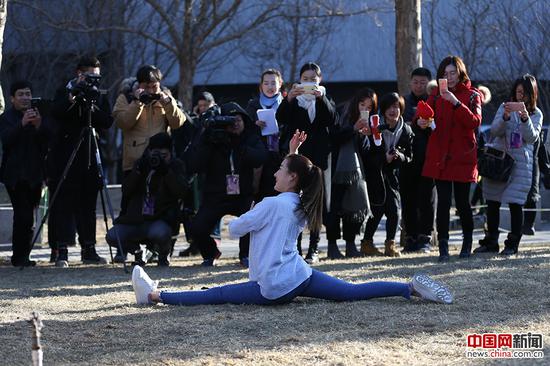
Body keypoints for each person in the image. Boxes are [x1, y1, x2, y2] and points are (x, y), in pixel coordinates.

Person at [131, 131, 453, 306]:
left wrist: (251, 212)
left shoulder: (271, 204)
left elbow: (233, 229)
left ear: (292, 178)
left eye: (280, 169)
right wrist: (291, 151)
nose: (274, 171)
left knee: (214, 295)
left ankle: (155, 295)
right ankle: (407, 288)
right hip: (299, 276)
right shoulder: (301, 204)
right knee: (351, 292)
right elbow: (296, 176)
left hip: (271, 287)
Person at [47, 55, 113, 267]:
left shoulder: (98, 95)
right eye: (90, 76)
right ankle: (62, 250)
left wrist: (91, 104)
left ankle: (89, 248)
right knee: (64, 203)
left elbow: (107, 121)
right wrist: (73, 96)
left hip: (90, 153)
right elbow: (56, 113)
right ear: (79, 73)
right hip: (66, 154)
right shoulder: (64, 91)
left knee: (88, 204)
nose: (94, 80)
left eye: (97, 76)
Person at [186, 102, 268, 267]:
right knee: (197, 227)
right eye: (230, 121)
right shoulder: (213, 139)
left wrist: (239, 146)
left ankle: (245, 255)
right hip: (215, 195)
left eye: (238, 120)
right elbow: (194, 164)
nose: (235, 124)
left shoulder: (249, 137)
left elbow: (260, 157)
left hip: (242, 194)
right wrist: (207, 137)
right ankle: (210, 253)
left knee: (251, 219)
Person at [418, 56, 482, 262]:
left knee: (463, 203)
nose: (449, 77)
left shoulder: (473, 95)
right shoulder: (435, 95)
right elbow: (423, 117)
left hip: (463, 155)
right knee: (443, 202)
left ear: (460, 72)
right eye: (445, 74)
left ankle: (467, 244)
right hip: (440, 155)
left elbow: (475, 122)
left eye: (452, 73)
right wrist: (421, 121)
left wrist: (455, 103)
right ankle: (443, 246)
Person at [276, 62, 338, 263]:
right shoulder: (294, 99)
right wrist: (288, 99)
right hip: (298, 158)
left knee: (316, 203)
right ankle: (296, 248)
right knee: (297, 202)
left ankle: (314, 248)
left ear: (319, 80)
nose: (309, 82)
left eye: (313, 79)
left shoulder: (325, 98)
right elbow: (281, 118)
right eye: (306, 79)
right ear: (300, 80)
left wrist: (322, 98)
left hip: (319, 159)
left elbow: (332, 120)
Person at [474, 74, 542, 255]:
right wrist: (504, 117)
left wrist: (525, 118)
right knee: (492, 202)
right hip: (499, 161)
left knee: (515, 204)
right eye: (518, 92)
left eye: (525, 93)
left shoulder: (536, 114)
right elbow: (495, 131)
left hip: (520, 165)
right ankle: (491, 242)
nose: (521, 96)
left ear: (532, 94)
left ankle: (512, 244)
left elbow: (532, 137)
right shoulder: (505, 107)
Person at [105, 133, 187, 266]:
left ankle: (163, 254)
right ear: (148, 152)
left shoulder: (176, 166)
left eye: (164, 155)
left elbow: (181, 192)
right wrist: (138, 171)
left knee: (160, 233)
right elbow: (126, 190)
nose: (159, 159)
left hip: (160, 219)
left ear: (171, 154)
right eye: (155, 154)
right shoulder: (141, 164)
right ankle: (138, 251)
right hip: (135, 219)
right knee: (113, 236)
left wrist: (166, 171)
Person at [0, 81, 51, 267]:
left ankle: (24, 256)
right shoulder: (6, 118)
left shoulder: (39, 116)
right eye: (20, 94)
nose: (25, 98)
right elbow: (6, 140)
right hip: (15, 176)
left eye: (28, 94)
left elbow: (47, 142)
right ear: (12, 98)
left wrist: (38, 125)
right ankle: (18, 256)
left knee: (30, 217)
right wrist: (22, 124)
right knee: (21, 215)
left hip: (35, 174)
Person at [360, 93, 413, 257]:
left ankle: (390, 244)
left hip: (392, 175)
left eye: (396, 107)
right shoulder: (374, 125)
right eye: (389, 107)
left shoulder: (405, 129)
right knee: (377, 209)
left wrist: (399, 156)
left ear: (401, 109)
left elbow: (410, 157)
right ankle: (367, 243)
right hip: (374, 174)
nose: (393, 110)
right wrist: (384, 158)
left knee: (394, 210)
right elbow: (366, 154)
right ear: (383, 110)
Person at [325, 88, 374, 259]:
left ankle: (350, 244)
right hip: (336, 168)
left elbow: (366, 151)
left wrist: (364, 135)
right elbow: (334, 138)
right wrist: (353, 129)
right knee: (334, 208)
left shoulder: (368, 121)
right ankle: (332, 246)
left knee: (353, 207)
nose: (364, 110)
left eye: (368, 107)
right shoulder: (340, 113)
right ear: (355, 102)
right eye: (362, 104)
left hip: (356, 171)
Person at [113, 64, 186, 175]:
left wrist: (168, 104)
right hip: (134, 164)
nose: (151, 91)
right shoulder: (126, 98)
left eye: (154, 87)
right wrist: (137, 103)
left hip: (161, 162)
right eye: (147, 87)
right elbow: (123, 123)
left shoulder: (166, 97)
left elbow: (177, 123)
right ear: (139, 85)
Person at [401, 68, 436, 253]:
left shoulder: (435, 101)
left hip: (429, 159)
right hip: (406, 159)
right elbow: (397, 124)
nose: (419, 85)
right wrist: (414, 124)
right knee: (408, 201)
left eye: (423, 82)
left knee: (427, 200)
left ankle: (425, 238)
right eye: (416, 81)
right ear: (410, 82)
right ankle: (410, 238)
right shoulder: (403, 103)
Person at [246, 68, 285, 201]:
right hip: (260, 158)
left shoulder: (287, 104)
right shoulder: (253, 105)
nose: (270, 87)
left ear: (280, 84)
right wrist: (254, 124)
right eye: (266, 83)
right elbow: (244, 130)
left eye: (273, 83)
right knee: (260, 196)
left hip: (280, 156)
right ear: (261, 86)